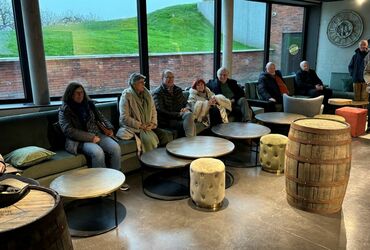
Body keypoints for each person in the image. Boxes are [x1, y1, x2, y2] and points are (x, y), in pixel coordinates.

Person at [58, 81, 129, 191]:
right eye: (76, 93)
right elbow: (69, 131)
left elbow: (101, 117)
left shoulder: (89, 104)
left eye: (81, 92)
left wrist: (109, 128)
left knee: (115, 147)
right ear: (70, 94)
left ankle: (117, 179)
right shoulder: (64, 110)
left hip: (97, 134)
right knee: (97, 152)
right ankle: (102, 183)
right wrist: (90, 138)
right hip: (79, 140)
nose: (80, 95)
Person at [117, 73, 171, 153]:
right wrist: (140, 125)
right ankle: (151, 161)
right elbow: (124, 117)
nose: (143, 84)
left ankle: (164, 160)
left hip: (148, 125)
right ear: (134, 84)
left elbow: (153, 111)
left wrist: (152, 124)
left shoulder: (148, 95)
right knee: (149, 140)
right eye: (141, 82)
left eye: (144, 82)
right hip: (135, 128)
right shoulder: (126, 96)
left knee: (164, 136)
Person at [152, 69, 196, 137]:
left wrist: (187, 108)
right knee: (189, 121)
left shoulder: (177, 90)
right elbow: (160, 110)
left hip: (180, 116)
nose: (171, 79)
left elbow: (186, 103)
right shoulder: (157, 92)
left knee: (189, 114)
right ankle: (191, 142)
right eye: (168, 77)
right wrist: (178, 114)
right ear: (162, 78)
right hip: (167, 120)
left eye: (172, 77)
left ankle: (190, 142)